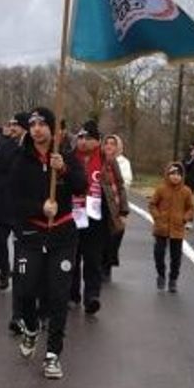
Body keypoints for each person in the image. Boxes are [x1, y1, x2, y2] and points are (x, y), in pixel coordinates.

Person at [8, 107, 86, 380]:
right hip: (31, 235)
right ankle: (31, 328)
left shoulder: (66, 157)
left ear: (53, 129)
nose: (37, 128)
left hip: (63, 236)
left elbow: (81, 186)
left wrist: (63, 169)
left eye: (43, 123)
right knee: (26, 290)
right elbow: (14, 201)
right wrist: (40, 207)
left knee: (58, 296)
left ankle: (53, 355)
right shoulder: (21, 160)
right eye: (33, 124)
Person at [69, 121, 109, 316]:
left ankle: (92, 296)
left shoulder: (105, 159)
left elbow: (116, 185)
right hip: (73, 213)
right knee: (72, 255)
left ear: (98, 141)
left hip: (97, 215)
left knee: (93, 258)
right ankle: (72, 294)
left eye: (89, 138)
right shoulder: (69, 158)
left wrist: (123, 211)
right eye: (81, 137)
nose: (83, 142)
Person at [0, 113, 28, 294]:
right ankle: (4, 269)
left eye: (16, 125)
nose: (12, 128)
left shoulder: (30, 148)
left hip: (21, 207)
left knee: (22, 245)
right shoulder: (6, 146)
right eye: (11, 124)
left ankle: (20, 276)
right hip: (1, 204)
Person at [149, 162, 194, 293]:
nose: (175, 177)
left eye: (178, 174)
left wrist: (185, 218)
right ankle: (161, 275)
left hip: (177, 228)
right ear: (167, 175)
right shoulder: (161, 189)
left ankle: (173, 279)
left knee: (176, 256)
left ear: (182, 176)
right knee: (159, 253)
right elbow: (152, 204)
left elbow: (191, 208)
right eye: (173, 174)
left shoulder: (186, 191)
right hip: (161, 227)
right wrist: (157, 217)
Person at [101, 134, 133, 281]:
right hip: (101, 203)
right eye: (107, 143)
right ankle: (101, 266)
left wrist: (123, 210)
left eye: (113, 144)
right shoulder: (99, 160)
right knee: (101, 237)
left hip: (116, 203)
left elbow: (124, 184)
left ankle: (108, 264)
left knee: (115, 235)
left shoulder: (123, 162)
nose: (109, 146)